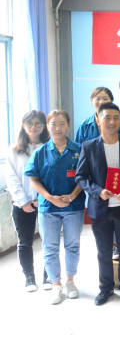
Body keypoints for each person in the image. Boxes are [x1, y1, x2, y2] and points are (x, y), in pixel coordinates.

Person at [75, 102, 120, 306]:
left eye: (116, 118)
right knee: (103, 252)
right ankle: (105, 288)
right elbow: (80, 177)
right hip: (100, 209)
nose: (112, 122)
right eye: (107, 118)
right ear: (98, 120)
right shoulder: (88, 146)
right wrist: (97, 191)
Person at [25, 109, 85, 305]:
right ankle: (56, 284)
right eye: (53, 124)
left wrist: (72, 196)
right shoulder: (40, 152)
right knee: (50, 247)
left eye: (62, 124)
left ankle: (70, 280)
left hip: (73, 206)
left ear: (68, 125)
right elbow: (34, 179)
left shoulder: (79, 150)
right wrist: (49, 197)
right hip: (48, 208)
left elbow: (84, 177)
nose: (58, 128)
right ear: (47, 127)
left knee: (72, 245)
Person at [5, 110, 50, 292]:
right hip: (21, 203)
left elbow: (51, 176)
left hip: (45, 202)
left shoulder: (49, 147)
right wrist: (23, 201)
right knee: (25, 242)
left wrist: (43, 197)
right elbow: (11, 177)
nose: (34, 127)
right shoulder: (14, 149)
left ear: (44, 126)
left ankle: (48, 276)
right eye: (30, 123)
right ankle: (29, 277)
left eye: (38, 123)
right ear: (23, 126)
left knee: (49, 241)